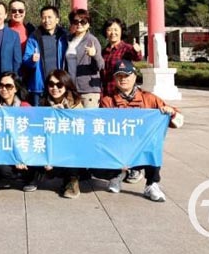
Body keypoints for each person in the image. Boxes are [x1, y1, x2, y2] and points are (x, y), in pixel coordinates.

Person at [99, 59, 183, 202]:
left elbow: (179, 120)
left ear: (135, 76)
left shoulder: (149, 98)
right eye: (119, 76)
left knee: (154, 145)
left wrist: (171, 112)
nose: (123, 79)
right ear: (114, 79)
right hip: (118, 148)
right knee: (98, 158)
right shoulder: (107, 100)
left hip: (142, 148)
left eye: (127, 75)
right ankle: (117, 175)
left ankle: (151, 184)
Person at [101, 17, 143, 182]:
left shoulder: (125, 48)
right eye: (110, 29)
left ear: (121, 31)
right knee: (112, 133)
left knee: (127, 133)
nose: (113, 32)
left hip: (122, 97)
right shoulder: (104, 51)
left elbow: (136, 56)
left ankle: (135, 168)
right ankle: (117, 167)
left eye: (116, 29)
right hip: (107, 96)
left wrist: (138, 50)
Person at [0, 72, 33, 191]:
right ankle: (2, 179)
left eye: (9, 86)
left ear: (16, 88)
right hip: (6, 152)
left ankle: (30, 180)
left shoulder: (25, 107)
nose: (4, 89)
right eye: (1, 85)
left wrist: (22, 157)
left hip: (25, 153)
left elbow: (32, 136)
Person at [41, 69, 83, 198]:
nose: (55, 88)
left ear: (66, 85)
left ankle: (73, 180)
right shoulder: (43, 103)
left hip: (71, 149)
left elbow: (79, 133)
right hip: (52, 148)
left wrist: (64, 114)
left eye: (59, 85)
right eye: (51, 84)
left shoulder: (76, 104)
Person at [22, 5, 67, 106]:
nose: (46, 20)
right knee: (40, 118)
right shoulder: (34, 37)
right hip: (40, 86)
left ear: (57, 19)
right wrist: (32, 60)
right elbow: (26, 60)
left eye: (49, 17)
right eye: (43, 17)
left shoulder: (64, 37)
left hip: (59, 86)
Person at [64, 8, 105, 108]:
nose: (79, 24)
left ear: (88, 24)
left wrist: (94, 55)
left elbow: (101, 65)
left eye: (83, 21)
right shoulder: (68, 40)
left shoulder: (92, 40)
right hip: (71, 89)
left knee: (88, 121)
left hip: (88, 91)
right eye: (75, 21)